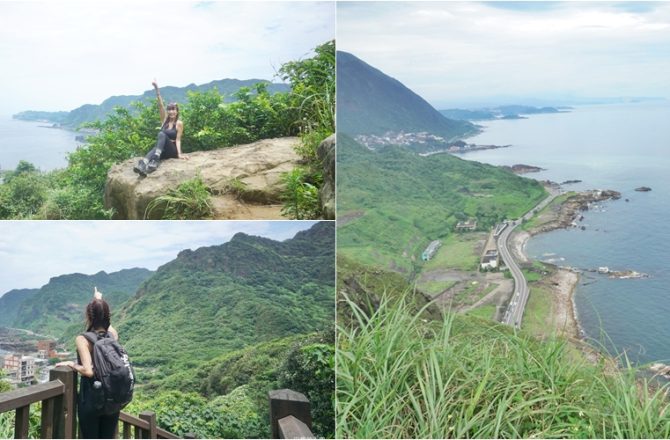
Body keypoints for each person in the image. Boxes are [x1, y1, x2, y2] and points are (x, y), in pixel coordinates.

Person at [56, 287, 120, 439]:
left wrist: (72, 364)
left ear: (89, 316)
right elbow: (106, 323)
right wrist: (99, 301)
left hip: (91, 400)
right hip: (111, 399)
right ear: (107, 315)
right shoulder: (113, 335)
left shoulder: (83, 339)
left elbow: (88, 371)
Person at [133, 79, 186, 176]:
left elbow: (178, 140)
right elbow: (160, 105)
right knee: (156, 148)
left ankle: (154, 160)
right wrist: (157, 89)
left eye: (173, 109)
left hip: (172, 151)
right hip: (162, 151)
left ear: (177, 111)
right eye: (169, 110)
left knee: (161, 134)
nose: (171, 112)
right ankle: (143, 167)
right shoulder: (164, 120)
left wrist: (179, 154)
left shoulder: (179, 123)